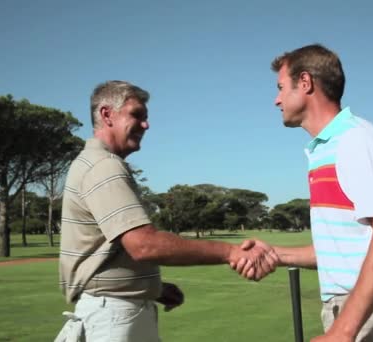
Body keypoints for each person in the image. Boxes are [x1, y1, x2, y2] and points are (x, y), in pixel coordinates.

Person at [55, 80, 278, 342]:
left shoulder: (98, 163)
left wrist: (153, 288)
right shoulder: (103, 166)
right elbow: (144, 245)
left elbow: (110, 251)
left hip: (116, 310)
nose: (146, 125)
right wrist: (230, 252)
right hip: (112, 316)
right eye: (136, 115)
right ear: (107, 115)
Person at [234, 44, 373, 342]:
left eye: (281, 88)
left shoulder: (354, 139)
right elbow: (345, 252)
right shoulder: (326, 149)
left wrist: (343, 331)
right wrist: (275, 254)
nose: (276, 100)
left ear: (306, 83)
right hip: (359, 311)